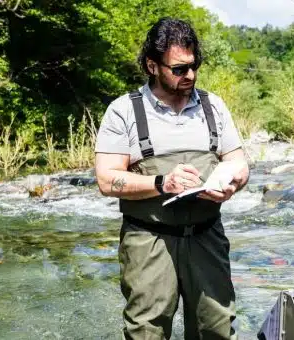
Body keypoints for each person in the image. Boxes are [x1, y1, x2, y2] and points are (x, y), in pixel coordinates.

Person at [94, 17, 248, 339]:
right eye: (178, 69)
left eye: (194, 66)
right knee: (147, 331)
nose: (189, 75)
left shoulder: (213, 106)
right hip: (149, 241)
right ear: (152, 65)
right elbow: (107, 180)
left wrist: (231, 185)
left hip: (207, 237)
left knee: (217, 328)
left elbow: (239, 163)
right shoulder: (124, 111)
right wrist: (162, 183)